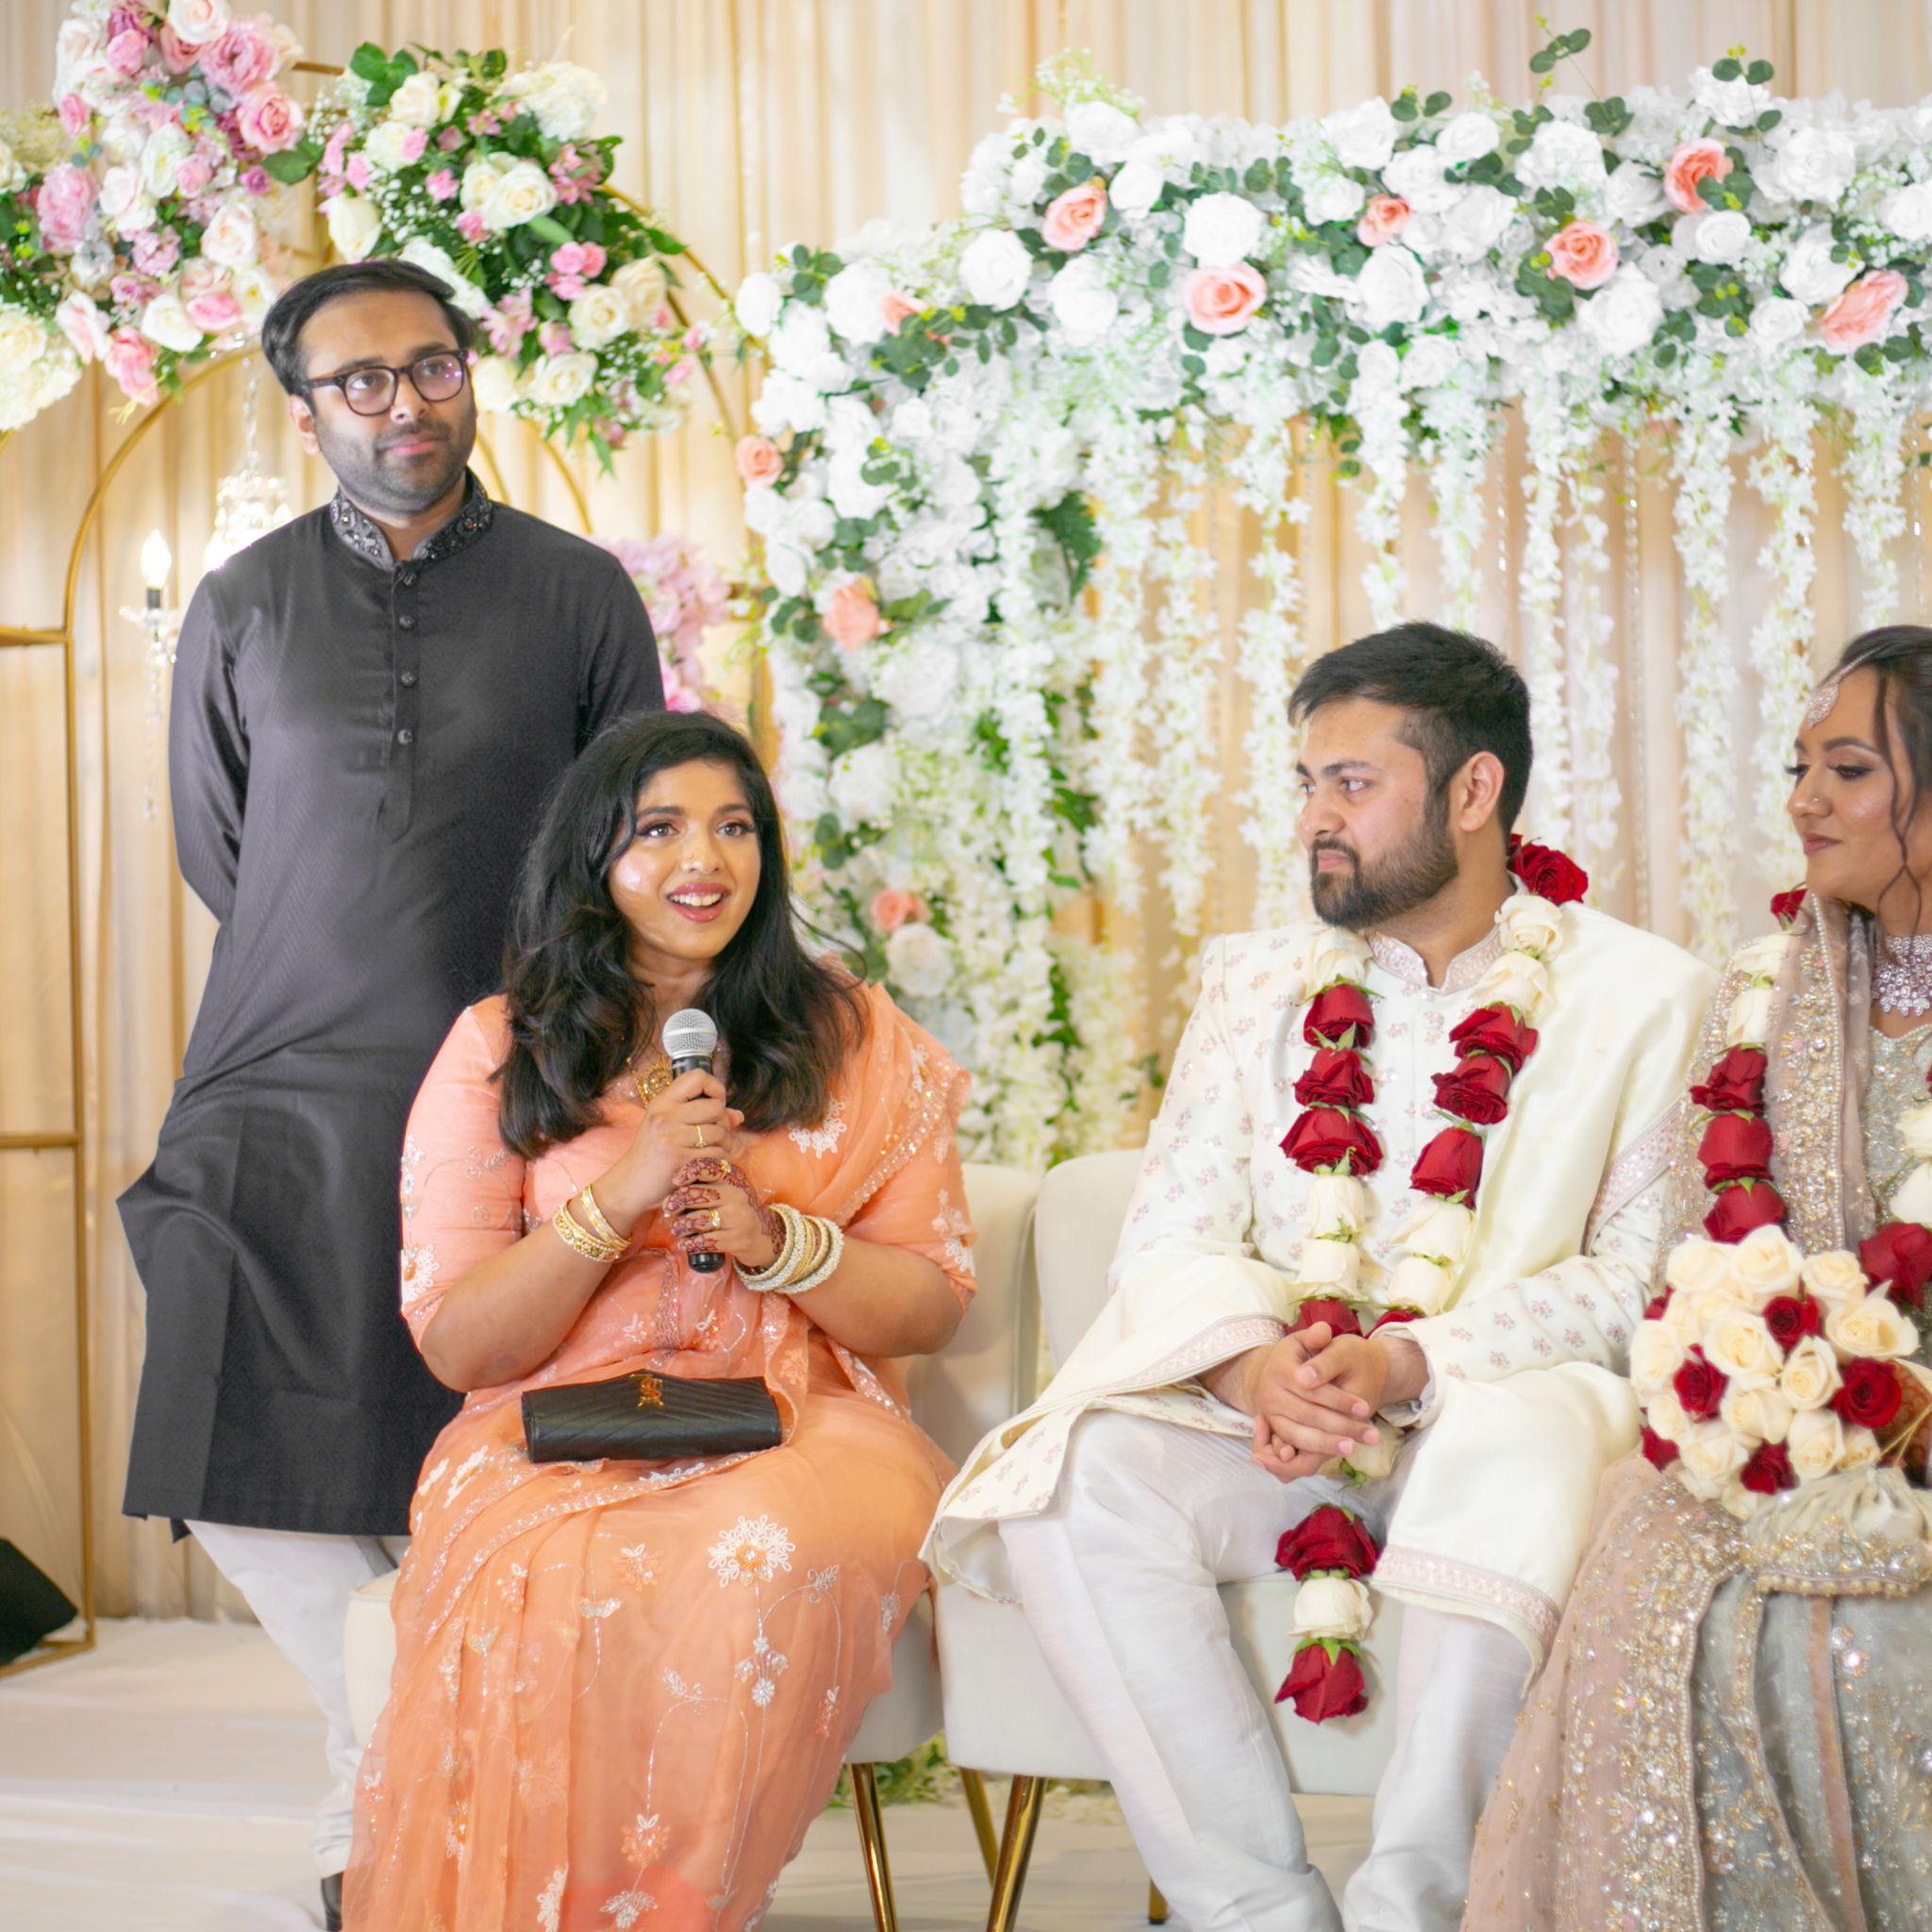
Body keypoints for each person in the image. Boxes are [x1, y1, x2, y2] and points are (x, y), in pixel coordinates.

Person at [926, 622, 1716, 1932]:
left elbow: (1643, 1281)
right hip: (1287, 1425)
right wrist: (1256, 1370)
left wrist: (1410, 1362)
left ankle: (1422, 1909)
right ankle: (1254, 1911)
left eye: (1352, 783)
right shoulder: (1255, 986)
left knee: (1517, 1445)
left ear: (1474, 791)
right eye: (1306, 785)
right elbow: (1167, 1236)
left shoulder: (1644, 995)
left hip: (1496, 1413)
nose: (1314, 821)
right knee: (1075, 1479)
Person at [117, 259, 663, 1926]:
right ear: (306, 417)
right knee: (220, 1425)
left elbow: (630, 839)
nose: (405, 404)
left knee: (461, 1451)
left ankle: (383, 1833)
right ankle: (399, 1764)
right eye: (361, 382)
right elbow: (222, 844)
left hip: (508, 1077)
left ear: (468, 376)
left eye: (432, 367)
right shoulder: (244, 600)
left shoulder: (578, 591)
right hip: (272, 1075)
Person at [341, 710, 974, 1930]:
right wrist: (619, 1197)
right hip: (557, 1425)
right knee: (543, 1569)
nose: (706, 859)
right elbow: (461, 1343)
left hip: (800, 1422)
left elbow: (931, 1302)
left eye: (735, 827)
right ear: (594, 855)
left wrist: (779, 1243)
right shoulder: (502, 1047)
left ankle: (673, 1911)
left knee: (752, 1547)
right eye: (662, 829)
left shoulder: (855, 1040)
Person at [1463, 626, 1932, 1932]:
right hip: (1783, 1443)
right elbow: (1700, 1248)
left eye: (1849, 771)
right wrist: (1758, 1394)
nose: (1806, 802)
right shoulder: (1763, 993)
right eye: (1799, 768)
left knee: (1856, 1639)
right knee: (1651, 1598)